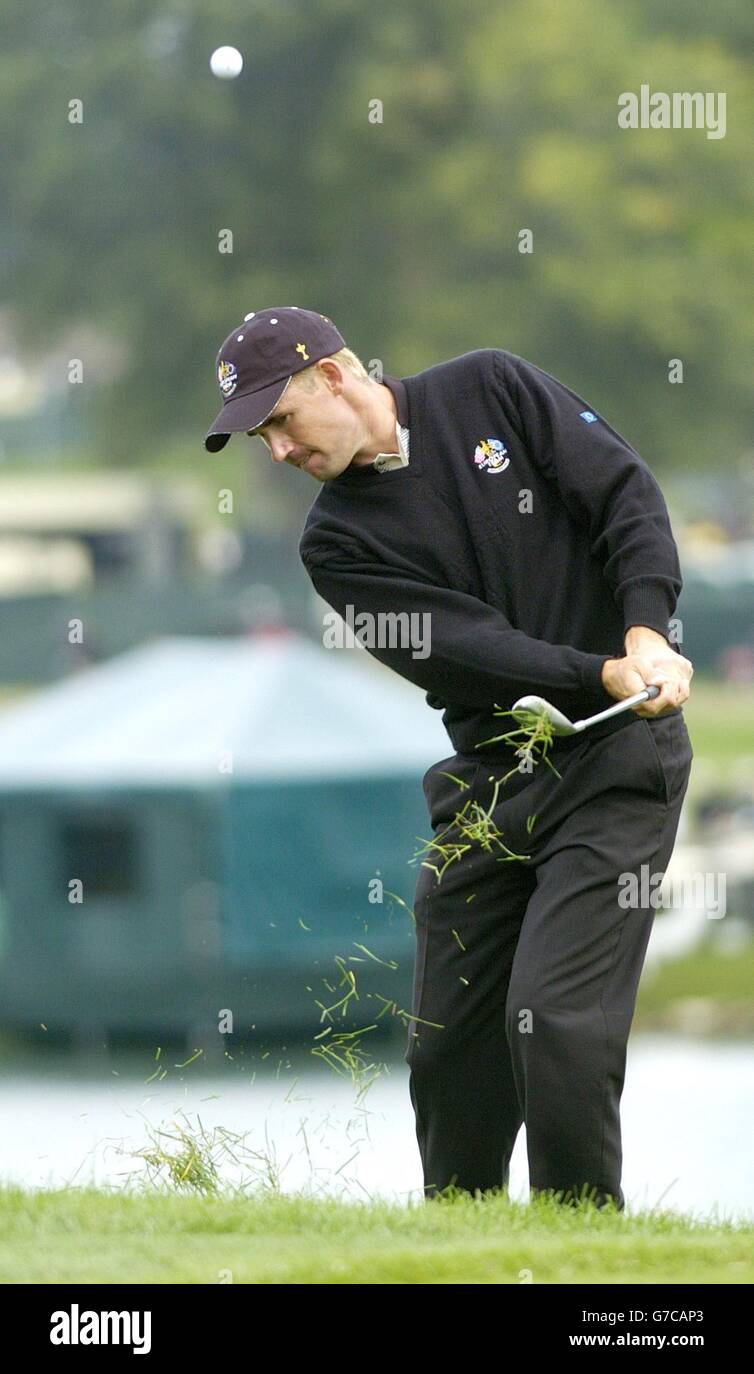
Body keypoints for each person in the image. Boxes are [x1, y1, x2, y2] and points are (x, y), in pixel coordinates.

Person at [204, 305, 694, 1211]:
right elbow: (467, 651)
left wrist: (645, 628)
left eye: (280, 421)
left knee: (554, 1024)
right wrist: (602, 668)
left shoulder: (491, 388)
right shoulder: (335, 542)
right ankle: (465, 1248)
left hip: (618, 761)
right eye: (259, 437)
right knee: (447, 1047)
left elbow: (624, 496)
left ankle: (581, 1255)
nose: (277, 451)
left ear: (337, 377)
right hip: (490, 780)